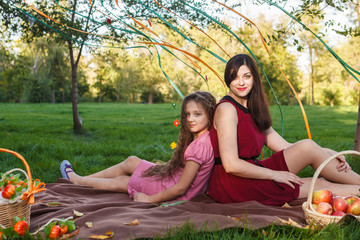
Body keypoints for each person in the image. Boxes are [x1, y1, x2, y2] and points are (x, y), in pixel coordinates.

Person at [207, 53, 360, 206]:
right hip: (233, 183)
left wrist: (328, 153)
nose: (241, 82)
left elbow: (289, 147)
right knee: (320, 186)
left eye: (246, 76)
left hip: (253, 170)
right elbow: (231, 165)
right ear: (228, 79)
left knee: (307, 146)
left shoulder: (253, 109)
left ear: (254, 78)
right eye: (235, 77)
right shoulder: (227, 109)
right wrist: (275, 175)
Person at [60, 91, 216, 203]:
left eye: (197, 114)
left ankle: (78, 181)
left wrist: (149, 199)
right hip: (171, 179)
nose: (190, 119)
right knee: (131, 161)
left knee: (123, 181)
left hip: (172, 190)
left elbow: (181, 188)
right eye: (187, 114)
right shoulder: (201, 138)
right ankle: (82, 179)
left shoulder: (200, 146)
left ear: (209, 115)